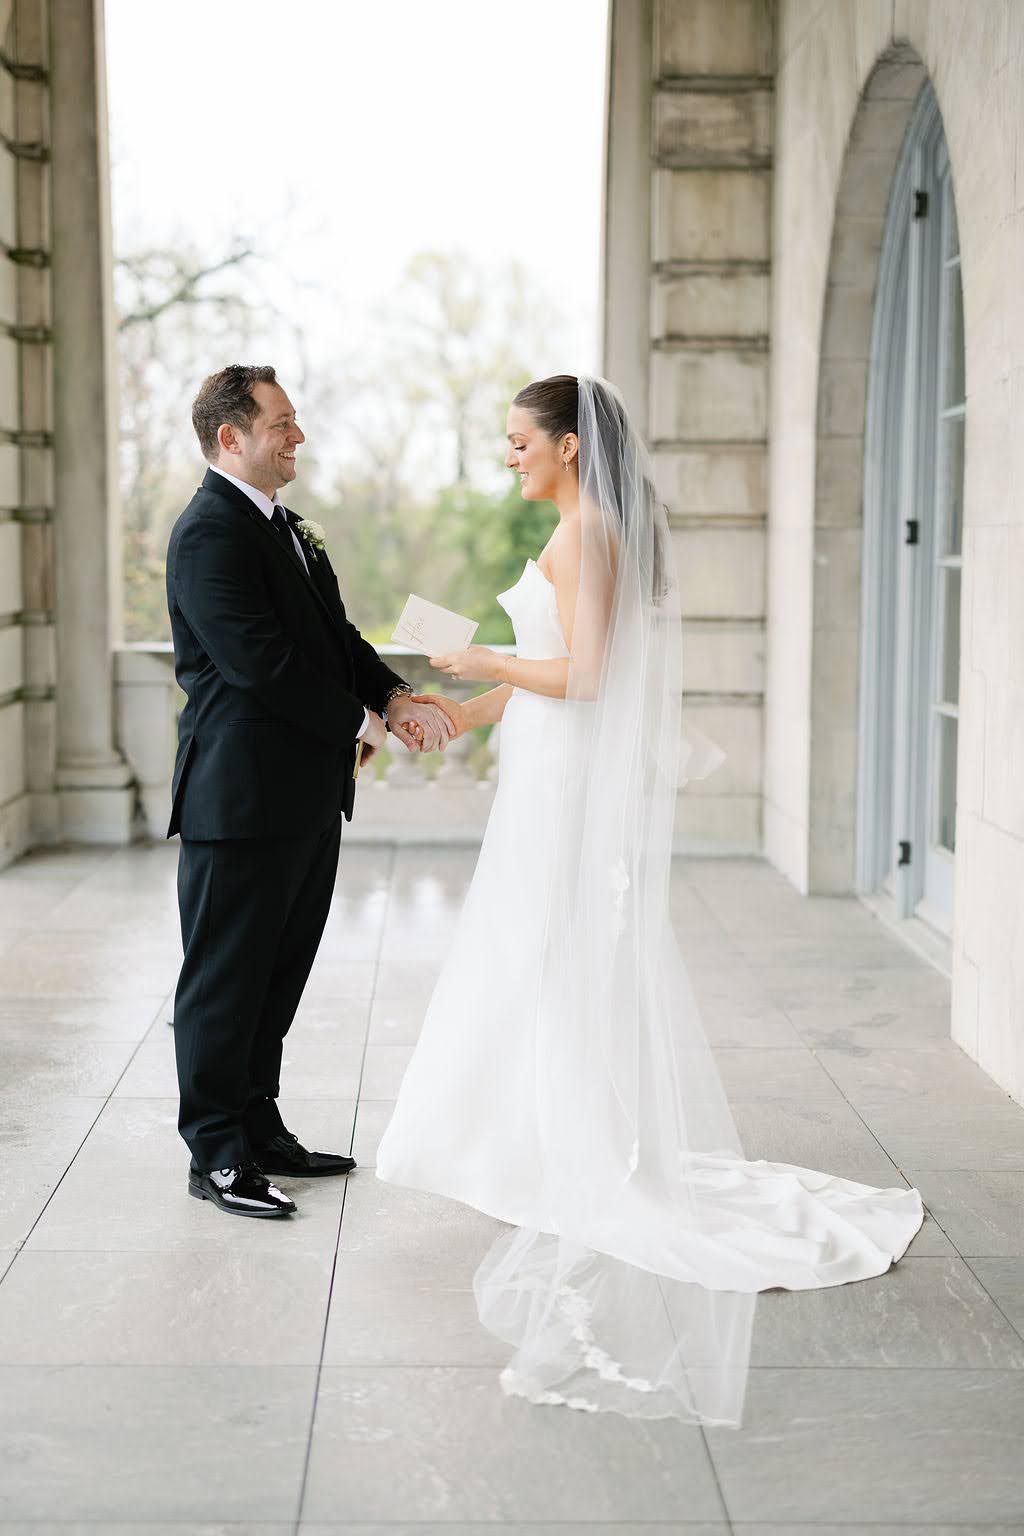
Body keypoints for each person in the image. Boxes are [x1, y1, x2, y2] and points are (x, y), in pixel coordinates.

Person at [377, 374, 925, 1422]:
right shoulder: (581, 529)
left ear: (573, 447)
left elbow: (582, 680)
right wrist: (467, 705)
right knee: (536, 955)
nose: (509, 456)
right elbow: (560, 674)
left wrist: (478, 651)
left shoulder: (588, 536)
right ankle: (534, 1135)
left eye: (518, 441)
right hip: (546, 767)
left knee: (554, 953)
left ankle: (564, 1146)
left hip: (567, 783)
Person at [165, 364, 452, 1220]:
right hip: (239, 799)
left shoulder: (286, 527)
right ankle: (216, 1154)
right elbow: (261, 664)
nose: (298, 436)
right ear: (232, 438)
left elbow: (335, 637)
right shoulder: (208, 533)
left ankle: (260, 1128)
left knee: (276, 975)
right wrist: (364, 726)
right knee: (224, 981)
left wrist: (395, 694)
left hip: (301, 795)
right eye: (282, 423)